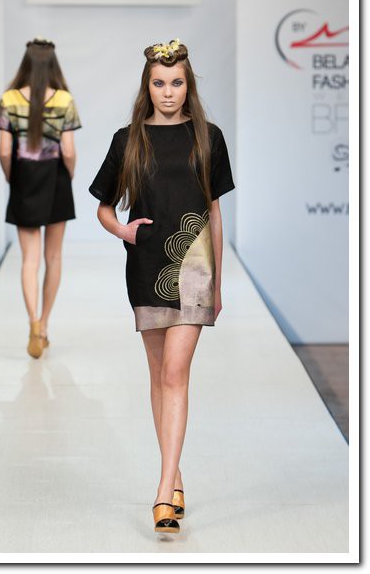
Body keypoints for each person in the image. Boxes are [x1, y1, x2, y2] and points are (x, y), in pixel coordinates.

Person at [89, 39, 235, 533]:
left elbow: (214, 211)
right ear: (146, 86)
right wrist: (122, 231)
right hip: (147, 263)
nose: (168, 92)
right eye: (159, 83)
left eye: (176, 83)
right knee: (158, 376)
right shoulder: (128, 140)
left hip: (195, 267)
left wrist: (218, 282)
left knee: (175, 372)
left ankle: (162, 491)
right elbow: (103, 207)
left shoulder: (208, 137)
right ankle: (175, 478)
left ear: (188, 85)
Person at [0, 36, 81, 359]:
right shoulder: (64, 100)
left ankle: (32, 323)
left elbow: (5, 151)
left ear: (26, 64)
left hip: (25, 179)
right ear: (53, 65)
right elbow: (68, 151)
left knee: (29, 260)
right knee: (53, 257)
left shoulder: (9, 99)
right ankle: (44, 324)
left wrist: (11, 177)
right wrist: (68, 176)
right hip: (56, 178)